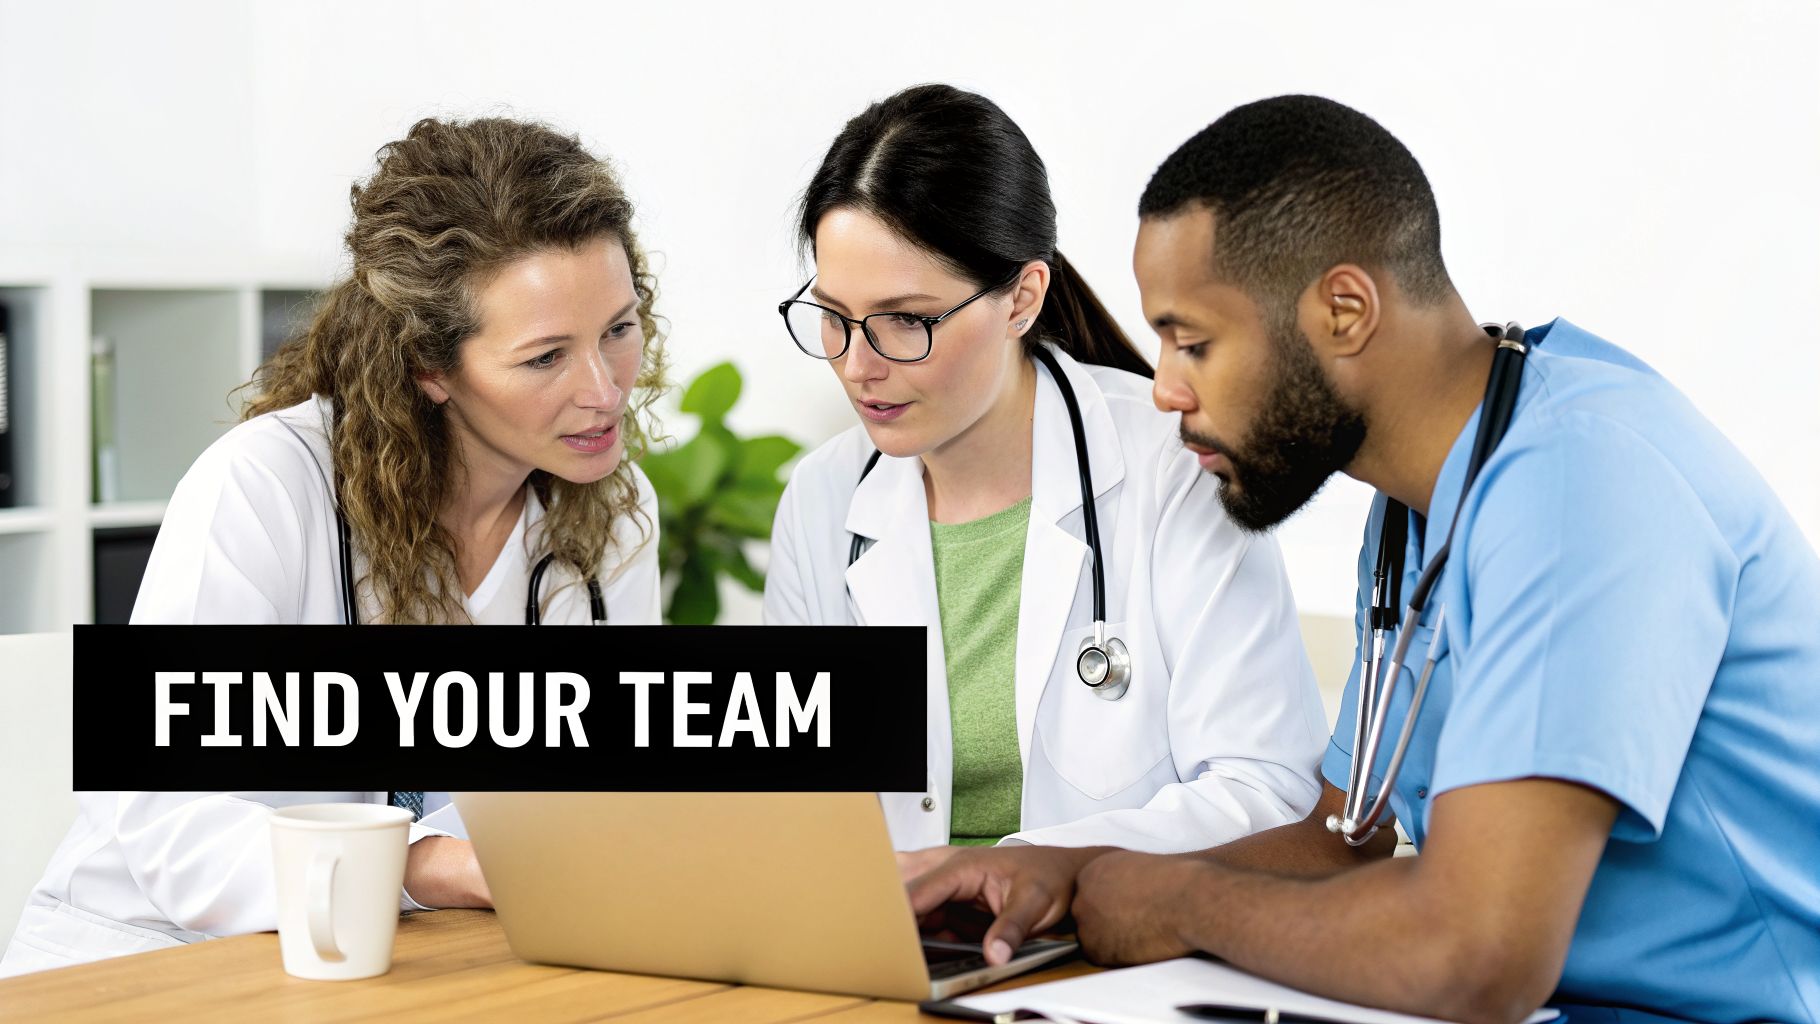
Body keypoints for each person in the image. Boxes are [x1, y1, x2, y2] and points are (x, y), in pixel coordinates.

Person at [907, 95, 1820, 1024]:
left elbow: (1476, 956)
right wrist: (1064, 870)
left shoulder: (1583, 483)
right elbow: (1342, 839)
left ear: (1345, 310)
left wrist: (1177, 904)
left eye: (1194, 342)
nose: (1166, 390)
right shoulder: (1416, 509)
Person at [1, 117, 668, 976]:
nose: (604, 389)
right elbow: (161, 809)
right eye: (545, 358)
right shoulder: (267, 486)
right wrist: (424, 866)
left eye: (619, 327)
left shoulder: (610, 518)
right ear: (431, 367)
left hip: (412, 959)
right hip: (145, 954)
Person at [764, 84, 1328, 867]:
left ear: (1022, 298)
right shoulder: (824, 502)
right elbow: (798, 805)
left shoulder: (1175, 467)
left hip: (1106, 954)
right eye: (834, 316)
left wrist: (1017, 866)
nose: (858, 366)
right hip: (884, 947)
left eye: (907, 321)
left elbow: (1269, 791)